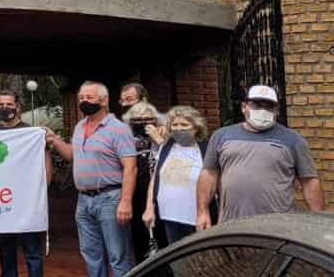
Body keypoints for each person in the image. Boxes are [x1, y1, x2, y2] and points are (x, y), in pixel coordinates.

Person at [46, 80, 138, 277]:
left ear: (104, 101)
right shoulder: (80, 127)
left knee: (118, 255)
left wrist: (126, 201)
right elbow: (74, 156)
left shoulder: (118, 129)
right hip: (84, 200)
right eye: (80, 98)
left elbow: (130, 167)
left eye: (89, 97)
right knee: (91, 255)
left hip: (110, 198)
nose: (83, 102)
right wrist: (55, 140)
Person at [196, 84, 321, 229]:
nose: (263, 110)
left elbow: (309, 181)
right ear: (244, 107)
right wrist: (202, 212)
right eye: (256, 105)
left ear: (276, 110)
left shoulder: (293, 140)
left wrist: (318, 220)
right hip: (232, 225)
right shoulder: (221, 136)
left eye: (269, 106)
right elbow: (209, 174)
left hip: (279, 226)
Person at [0, 89, 47, 277]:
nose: (5, 108)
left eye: (9, 104)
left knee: (32, 251)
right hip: (2, 201)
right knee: (5, 250)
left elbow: (44, 160)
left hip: (27, 200)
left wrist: (43, 189)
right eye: (1, 105)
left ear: (18, 107)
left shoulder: (30, 133)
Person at [146, 106, 207, 247]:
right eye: (175, 125)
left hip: (196, 219)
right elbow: (155, 178)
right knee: (175, 256)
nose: (179, 128)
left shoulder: (205, 149)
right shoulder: (166, 147)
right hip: (169, 217)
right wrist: (149, 207)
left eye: (184, 125)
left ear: (196, 127)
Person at [123, 99, 162, 263]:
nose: (143, 123)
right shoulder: (126, 142)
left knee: (162, 238)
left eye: (148, 119)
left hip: (160, 198)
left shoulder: (164, 137)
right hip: (136, 197)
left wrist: (159, 140)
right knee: (139, 238)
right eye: (138, 119)